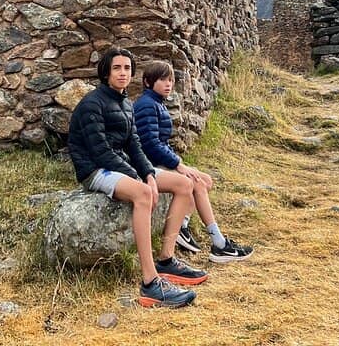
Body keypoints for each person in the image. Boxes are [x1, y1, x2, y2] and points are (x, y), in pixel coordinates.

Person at [68, 47, 208, 308]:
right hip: (95, 171)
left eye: (127, 68)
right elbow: (100, 152)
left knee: (184, 183)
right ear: (106, 71)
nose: (123, 73)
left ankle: (166, 259)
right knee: (143, 194)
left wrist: (148, 174)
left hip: (122, 167)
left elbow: (135, 146)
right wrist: (139, 179)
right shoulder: (91, 104)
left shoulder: (125, 103)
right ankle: (150, 283)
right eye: (117, 68)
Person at [133, 60, 254, 263]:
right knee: (196, 181)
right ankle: (219, 243)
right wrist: (178, 165)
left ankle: (182, 226)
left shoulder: (155, 103)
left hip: (157, 162)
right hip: (147, 165)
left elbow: (158, 142)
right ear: (147, 82)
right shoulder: (146, 105)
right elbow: (150, 144)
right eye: (162, 79)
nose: (168, 84)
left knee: (206, 180)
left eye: (170, 79)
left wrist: (178, 164)